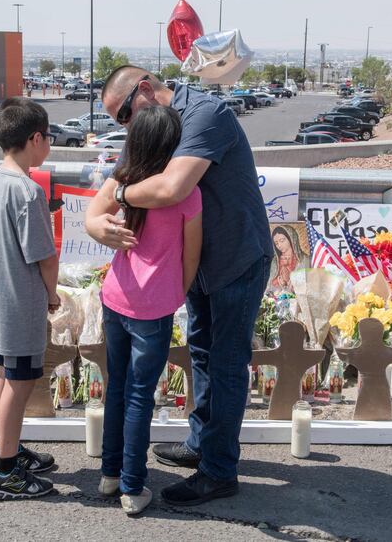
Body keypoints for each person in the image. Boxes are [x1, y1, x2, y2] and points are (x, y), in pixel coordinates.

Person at [86, 66, 272, 506]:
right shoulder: (150, 126)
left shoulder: (206, 115)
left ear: (145, 89)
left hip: (235, 259)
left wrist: (122, 198)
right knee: (202, 353)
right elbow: (110, 188)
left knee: (225, 364)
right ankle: (200, 444)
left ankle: (219, 471)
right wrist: (96, 223)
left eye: (124, 115)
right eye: (119, 123)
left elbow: (170, 188)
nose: (125, 129)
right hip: (195, 265)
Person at [86, 106, 202, 515]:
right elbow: (192, 255)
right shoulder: (184, 192)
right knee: (139, 396)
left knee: (116, 387)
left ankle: (110, 475)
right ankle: (134, 488)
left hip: (115, 296)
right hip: (152, 308)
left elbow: (95, 216)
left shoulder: (123, 179)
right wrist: (177, 292)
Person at [0, 97, 61, 500]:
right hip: (21, 302)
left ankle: (6, 450)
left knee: (3, 375)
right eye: (48, 137)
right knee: (21, 381)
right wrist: (52, 295)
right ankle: (5, 471)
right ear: (34, 138)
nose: (49, 144)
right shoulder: (28, 191)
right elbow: (45, 256)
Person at [269, 226, 309, 292]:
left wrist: (289, 281)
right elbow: (268, 286)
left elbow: (309, 283)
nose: (279, 245)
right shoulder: (274, 262)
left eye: (282, 241)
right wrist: (280, 282)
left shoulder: (305, 260)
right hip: (277, 299)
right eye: (276, 243)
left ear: (291, 239)